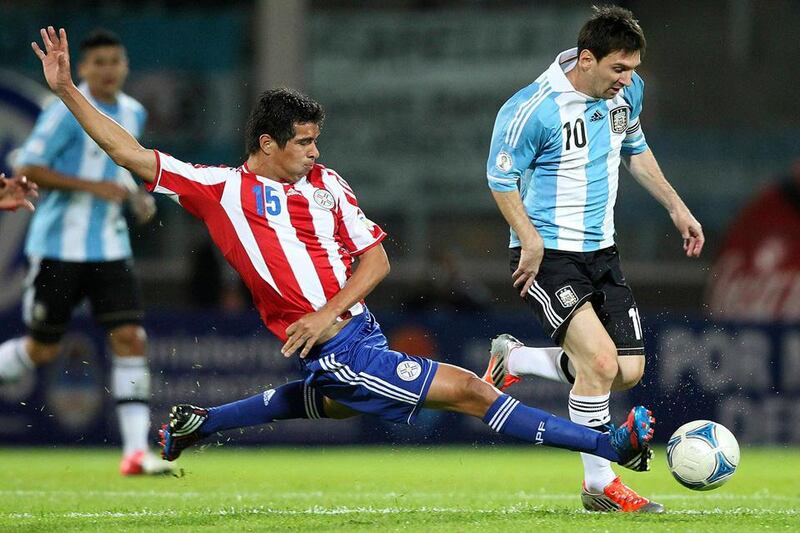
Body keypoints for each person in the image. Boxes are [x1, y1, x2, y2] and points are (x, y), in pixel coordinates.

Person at [31, 26, 657, 490]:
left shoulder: (329, 184)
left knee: (324, 400)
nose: (313, 151)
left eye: (316, 140)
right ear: (266, 144)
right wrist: (65, 91)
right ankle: (609, 445)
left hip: (353, 327)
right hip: (335, 346)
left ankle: (202, 423)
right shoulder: (221, 190)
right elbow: (131, 154)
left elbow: (376, 262)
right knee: (469, 390)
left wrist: (328, 308)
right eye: (302, 142)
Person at [482, 6, 704, 513]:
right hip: (549, 254)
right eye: (618, 69)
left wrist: (676, 206)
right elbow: (500, 178)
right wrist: (528, 238)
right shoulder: (532, 108)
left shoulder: (626, 93)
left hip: (602, 252)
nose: (628, 80)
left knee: (626, 370)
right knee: (600, 363)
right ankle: (600, 485)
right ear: (586, 59)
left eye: (633, 69)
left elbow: (636, 148)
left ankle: (512, 359)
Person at [0, 29, 171, 476]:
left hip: (111, 248)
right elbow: (27, 167)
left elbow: (125, 165)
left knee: (130, 337)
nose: (108, 69)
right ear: (85, 68)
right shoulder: (62, 113)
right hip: (58, 247)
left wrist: (135, 196)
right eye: (99, 62)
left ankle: (135, 451)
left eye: (115, 61)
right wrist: (92, 187)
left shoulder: (133, 111)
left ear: (126, 66)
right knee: (41, 350)